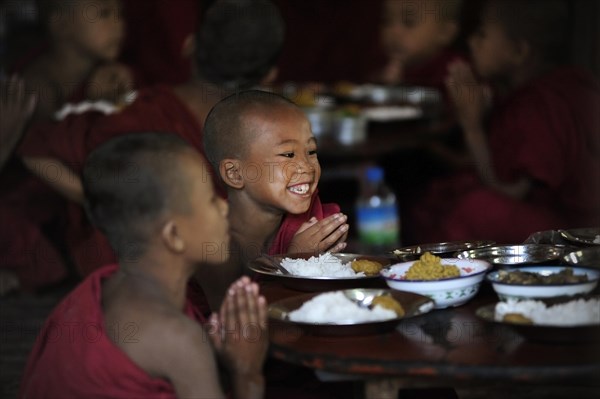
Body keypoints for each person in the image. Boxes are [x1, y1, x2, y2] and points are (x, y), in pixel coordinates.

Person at [16, 0, 286, 277]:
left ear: (188, 46)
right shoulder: (273, 142)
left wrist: (96, 198)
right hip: (204, 282)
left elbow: (35, 147)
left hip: (144, 284)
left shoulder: (139, 113)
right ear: (269, 76)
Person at [19, 132, 269, 399]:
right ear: (173, 236)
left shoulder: (106, 285)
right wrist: (247, 372)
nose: (224, 207)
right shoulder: (180, 339)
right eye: (210, 199)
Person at [412, 0, 600, 243]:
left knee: (476, 207)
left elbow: (513, 192)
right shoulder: (528, 93)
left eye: (482, 34)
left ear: (519, 52)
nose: (471, 42)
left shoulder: (540, 104)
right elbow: (497, 161)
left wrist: (472, 126)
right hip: (558, 221)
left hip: (573, 233)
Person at [201, 90, 348, 311]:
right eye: (288, 155)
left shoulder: (309, 224)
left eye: (311, 151)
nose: (307, 166)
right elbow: (230, 321)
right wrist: (293, 263)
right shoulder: (210, 243)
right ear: (235, 174)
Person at [20, 0, 132, 120]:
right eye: (104, 13)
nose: (119, 24)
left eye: (120, 14)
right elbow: (55, 136)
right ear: (62, 25)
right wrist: (94, 104)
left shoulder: (108, 69)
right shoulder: (37, 88)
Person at [375, 0, 464, 89]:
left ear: (444, 32)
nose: (394, 32)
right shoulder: (382, 63)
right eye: (386, 20)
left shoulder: (454, 72)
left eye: (409, 22)